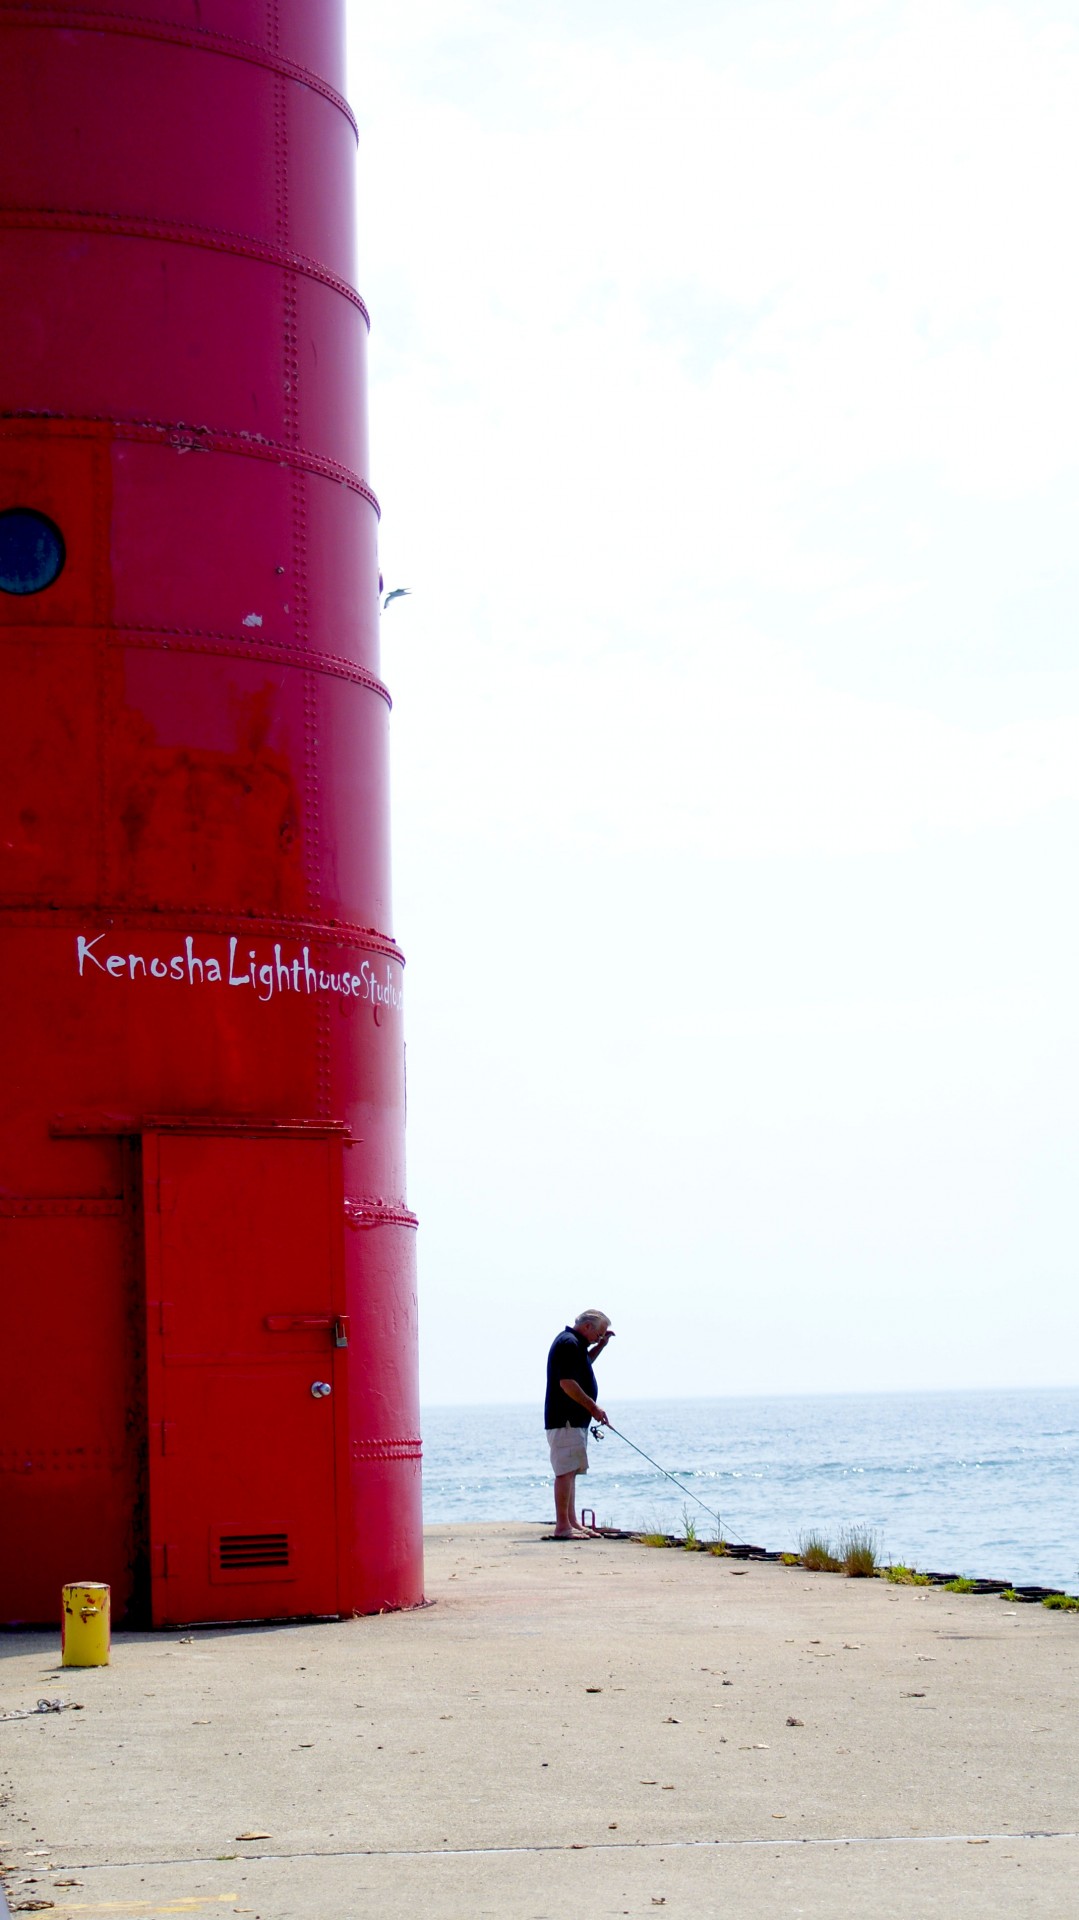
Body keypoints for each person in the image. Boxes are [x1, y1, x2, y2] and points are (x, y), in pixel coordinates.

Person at [544, 1310, 615, 1538]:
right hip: (565, 1419)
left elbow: (584, 1365)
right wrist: (593, 1407)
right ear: (587, 1326)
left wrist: (601, 1346)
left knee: (571, 1470)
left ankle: (571, 1521)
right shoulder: (568, 1343)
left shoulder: (576, 1346)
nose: (599, 1337)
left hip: (573, 1421)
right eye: (599, 1333)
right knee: (565, 1472)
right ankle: (562, 1526)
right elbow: (567, 1383)